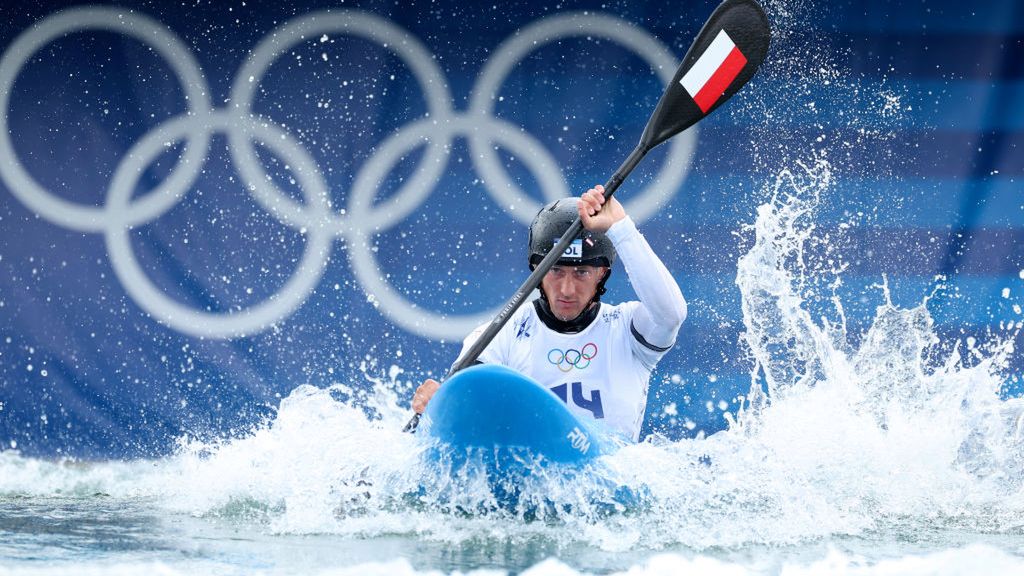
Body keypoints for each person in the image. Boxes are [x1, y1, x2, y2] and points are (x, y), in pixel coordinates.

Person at [411, 185, 687, 442]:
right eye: (555, 270)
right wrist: (444, 403)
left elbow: (671, 314)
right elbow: (468, 392)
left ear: (601, 274)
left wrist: (620, 228)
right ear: (537, 271)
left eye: (581, 272)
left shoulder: (626, 329)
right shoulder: (503, 331)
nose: (567, 289)